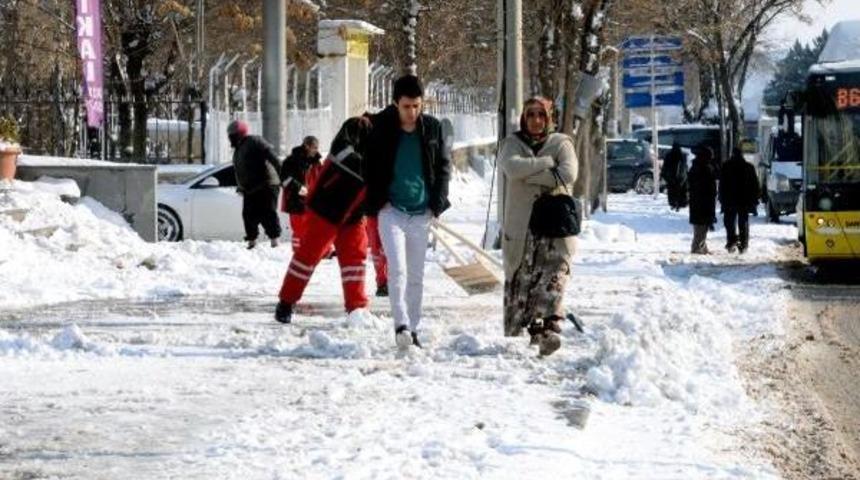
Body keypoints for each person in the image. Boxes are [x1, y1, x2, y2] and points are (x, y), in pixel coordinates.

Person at [364, 74, 451, 349]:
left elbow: (443, 167)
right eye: (406, 106)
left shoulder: (432, 128)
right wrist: (378, 200)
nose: (412, 112)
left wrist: (437, 203)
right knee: (397, 270)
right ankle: (400, 325)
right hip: (391, 211)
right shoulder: (381, 128)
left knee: (416, 276)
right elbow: (368, 166)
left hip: (421, 212)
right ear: (395, 104)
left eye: (416, 106)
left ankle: (412, 329)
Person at [498, 96, 577, 356]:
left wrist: (529, 176)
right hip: (523, 228)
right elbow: (511, 167)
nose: (536, 120)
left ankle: (548, 332)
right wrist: (546, 164)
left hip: (554, 226)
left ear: (549, 117)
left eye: (541, 115)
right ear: (524, 117)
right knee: (526, 280)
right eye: (530, 114)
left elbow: (568, 173)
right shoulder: (511, 143)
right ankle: (538, 332)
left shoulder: (561, 143)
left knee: (554, 277)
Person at [275, 117, 374, 324]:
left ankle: (357, 308)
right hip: (326, 210)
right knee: (307, 257)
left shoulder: (376, 152)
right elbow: (353, 162)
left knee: (355, 261)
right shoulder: (347, 143)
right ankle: (286, 302)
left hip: (353, 215)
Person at [228, 120, 282, 249]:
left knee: (268, 213)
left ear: (240, 134)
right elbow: (240, 170)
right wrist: (241, 187)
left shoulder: (254, 141)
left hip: (266, 184)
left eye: (233, 135)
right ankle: (252, 241)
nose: (230, 138)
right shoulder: (238, 149)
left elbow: (272, 157)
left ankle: (275, 241)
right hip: (250, 188)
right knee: (248, 215)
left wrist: (283, 174)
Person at [280, 136, 326, 252]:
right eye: (314, 147)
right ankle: (298, 252)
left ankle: (322, 251)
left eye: (317, 148)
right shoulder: (291, 161)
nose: (316, 150)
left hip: (313, 200)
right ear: (306, 146)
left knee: (316, 227)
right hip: (296, 200)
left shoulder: (317, 162)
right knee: (299, 228)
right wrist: (299, 188)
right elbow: (284, 179)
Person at [719, 147, 759, 254]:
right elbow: (754, 185)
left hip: (729, 200)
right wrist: (754, 200)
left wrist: (721, 199)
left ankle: (731, 241)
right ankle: (743, 244)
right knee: (743, 222)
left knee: (729, 222)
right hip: (744, 200)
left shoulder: (726, 166)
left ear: (732, 154)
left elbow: (722, 185)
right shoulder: (749, 167)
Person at [688, 146, 717, 254]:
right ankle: (697, 247)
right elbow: (708, 185)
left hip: (697, 200)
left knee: (701, 225)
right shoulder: (704, 168)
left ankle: (702, 246)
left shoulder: (696, 166)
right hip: (703, 201)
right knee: (701, 226)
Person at [365, 216, 389, 297]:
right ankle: (382, 284)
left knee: (388, 249)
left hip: (390, 215)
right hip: (372, 216)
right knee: (376, 251)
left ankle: (390, 281)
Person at [661, 143, 688, 211]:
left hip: (671, 178)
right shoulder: (683, 155)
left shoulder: (669, 155)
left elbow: (665, 167)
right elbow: (685, 167)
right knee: (680, 191)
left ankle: (674, 204)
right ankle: (679, 204)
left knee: (673, 191)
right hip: (680, 178)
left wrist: (664, 175)